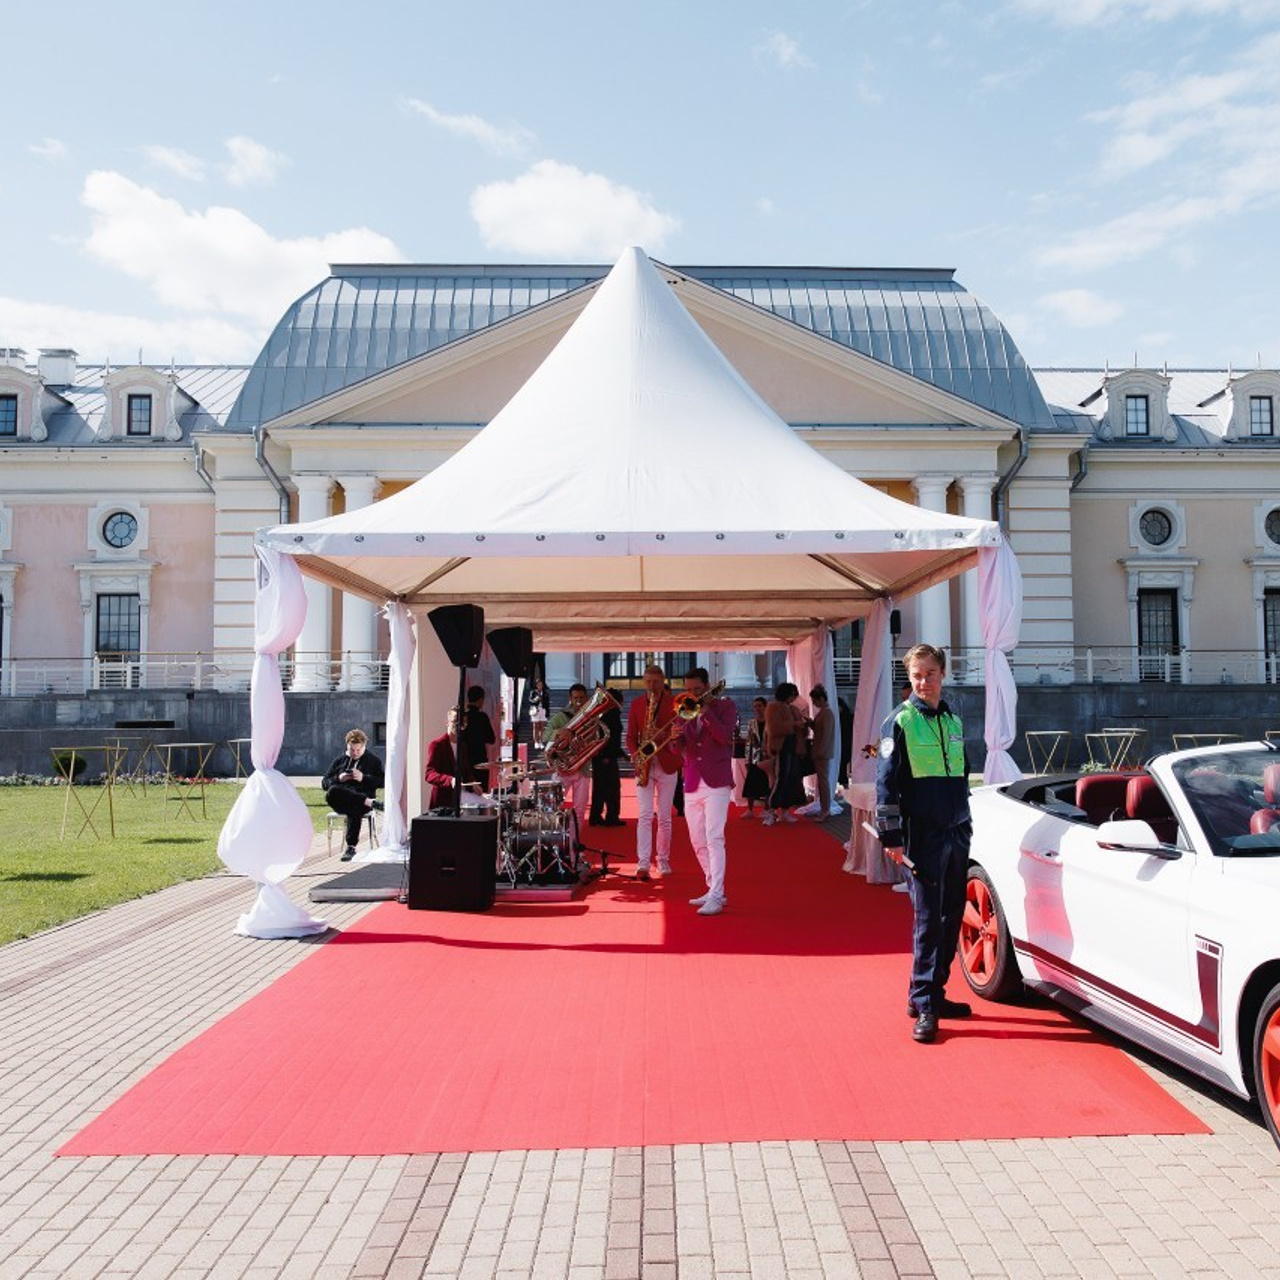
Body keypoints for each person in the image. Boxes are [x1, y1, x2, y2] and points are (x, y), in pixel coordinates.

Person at [875, 644, 973, 1044]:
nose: (923, 681)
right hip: (922, 835)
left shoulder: (952, 718)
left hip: (957, 830)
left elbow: (963, 773)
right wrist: (892, 836)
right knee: (929, 919)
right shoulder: (899, 721)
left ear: (943, 674)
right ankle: (925, 1002)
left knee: (952, 916)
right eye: (917, 674)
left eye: (930, 673)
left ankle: (933, 991)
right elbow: (886, 782)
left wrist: (966, 820)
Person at [679, 667, 737, 915]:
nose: (692, 694)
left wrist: (706, 714)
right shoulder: (684, 709)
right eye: (689, 689)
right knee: (697, 840)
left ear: (707, 686)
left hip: (717, 781)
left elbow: (725, 738)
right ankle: (713, 887)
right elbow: (681, 749)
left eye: (697, 689)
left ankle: (716, 894)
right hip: (692, 780)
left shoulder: (725, 707)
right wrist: (674, 739)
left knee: (714, 838)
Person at [625, 664, 681, 880]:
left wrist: (666, 733)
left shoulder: (674, 704)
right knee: (645, 815)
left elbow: (679, 730)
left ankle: (663, 860)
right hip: (645, 763)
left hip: (667, 762)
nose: (651, 686)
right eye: (647, 681)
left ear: (662, 681)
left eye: (655, 682)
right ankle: (643, 863)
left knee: (665, 817)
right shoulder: (637, 704)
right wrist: (635, 753)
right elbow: (630, 736)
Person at [322, 728, 384, 861]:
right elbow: (324, 783)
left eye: (358, 750)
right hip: (344, 800)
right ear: (347, 746)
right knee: (332, 791)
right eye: (351, 750)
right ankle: (368, 801)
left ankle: (351, 847)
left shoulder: (374, 761)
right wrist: (340, 778)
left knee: (354, 807)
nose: (354, 753)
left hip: (360, 803)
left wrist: (364, 778)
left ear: (364, 747)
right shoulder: (339, 761)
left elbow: (382, 781)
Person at [543, 683, 592, 847]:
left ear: (586, 699)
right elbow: (545, 735)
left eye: (581, 698)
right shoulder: (560, 717)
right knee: (555, 807)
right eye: (575, 698)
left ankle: (574, 843)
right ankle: (556, 843)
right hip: (562, 768)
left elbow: (596, 739)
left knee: (579, 810)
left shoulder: (591, 718)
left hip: (582, 769)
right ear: (570, 699)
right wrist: (559, 732)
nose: (578, 701)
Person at [762, 682, 807, 825]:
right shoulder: (774, 707)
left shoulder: (792, 708)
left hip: (793, 745)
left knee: (792, 778)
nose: (794, 697)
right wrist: (794, 725)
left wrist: (802, 725)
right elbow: (774, 727)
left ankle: (785, 810)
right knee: (782, 777)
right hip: (782, 746)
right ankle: (771, 810)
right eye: (793, 694)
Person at [589, 688, 624, 826]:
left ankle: (598, 816)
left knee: (601, 788)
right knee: (611, 788)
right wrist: (607, 755)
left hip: (605, 755)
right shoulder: (611, 715)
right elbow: (610, 739)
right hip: (606, 756)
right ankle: (610, 817)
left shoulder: (606, 715)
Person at [807, 684, 837, 819]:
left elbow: (826, 734)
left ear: (820, 699)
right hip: (821, 751)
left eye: (814, 700)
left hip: (822, 752)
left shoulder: (827, 713)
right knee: (822, 781)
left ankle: (826, 809)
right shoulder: (824, 712)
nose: (813, 703)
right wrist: (811, 724)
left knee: (823, 781)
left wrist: (820, 750)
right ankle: (825, 808)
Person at [460, 685, 496, 788]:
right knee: (481, 793)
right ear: (481, 699)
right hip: (480, 760)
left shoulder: (463, 716)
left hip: (465, 760)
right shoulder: (482, 717)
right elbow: (491, 739)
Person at [424, 710, 460, 811]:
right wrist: (450, 780)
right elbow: (429, 774)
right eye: (455, 721)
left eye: (461, 722)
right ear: (447, 722)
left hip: (459, 800)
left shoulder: (463, 746)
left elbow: (465, 770)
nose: (458, 725)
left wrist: (473, 783)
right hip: (442, 802)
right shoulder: (437, 745)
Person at [741, 696, 771, 817]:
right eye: (755, 706)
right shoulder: (751, 723)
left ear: (765, 707)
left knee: (767, 784)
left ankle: (767, 809)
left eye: (759, 706)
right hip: (754, 757)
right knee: (751, 783)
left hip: (768, 757)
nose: (757, 708)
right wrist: (747, 759)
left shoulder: (770, 722)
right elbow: (748, 742)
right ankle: (750, 810)